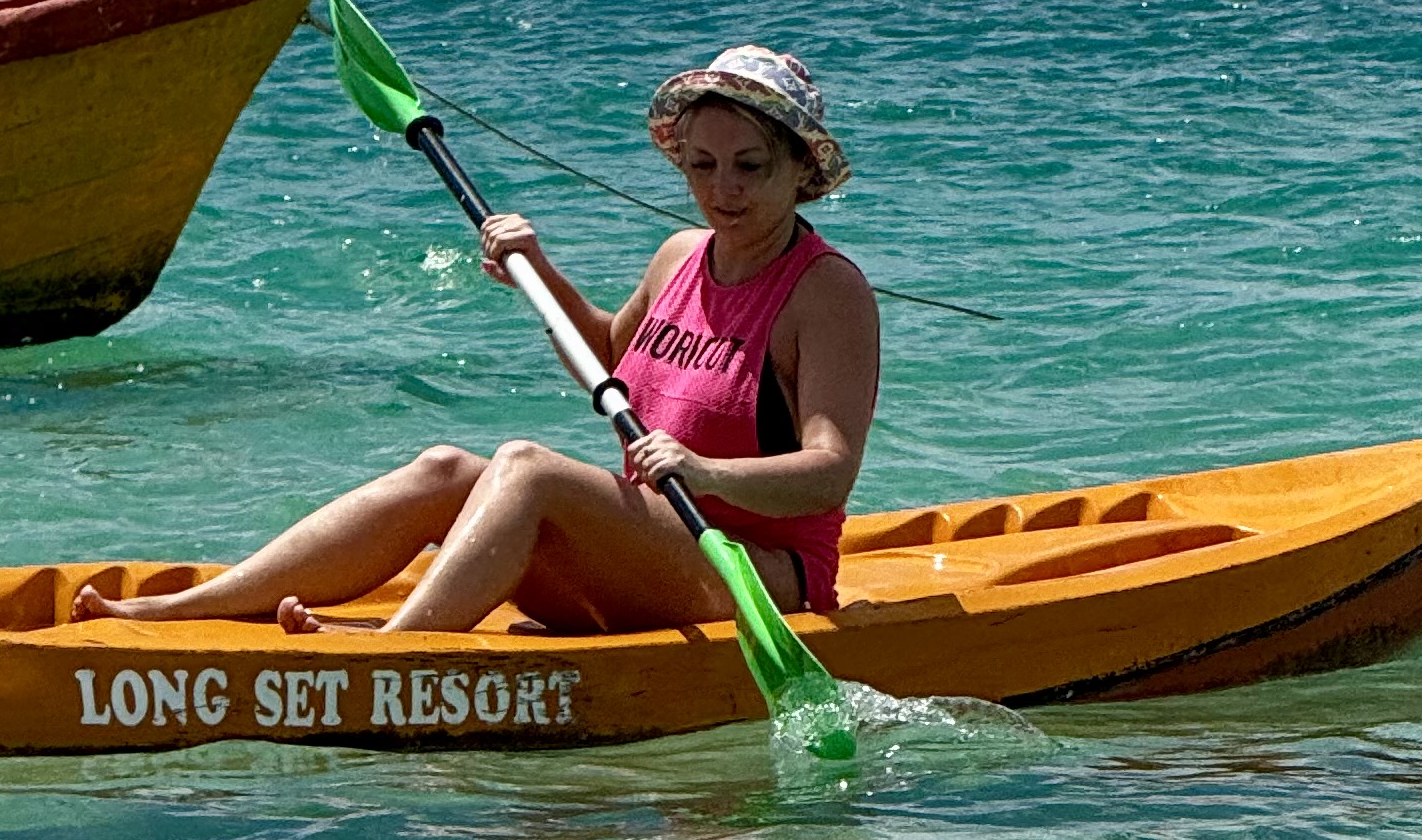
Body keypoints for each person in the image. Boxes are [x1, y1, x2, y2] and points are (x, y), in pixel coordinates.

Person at [74, 44, 879, 638]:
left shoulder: (826, 292)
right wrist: (539, 270)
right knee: (447, 469)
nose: (721, 189)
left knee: (527, 466)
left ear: (798, 170)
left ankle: (400, 651)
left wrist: (704, 470)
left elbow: (830, 472)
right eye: (702, 165)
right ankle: (191, 608)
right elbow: (608, 361)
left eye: (749, 167)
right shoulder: (679, 256)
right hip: (650, 550)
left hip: (760, 578)